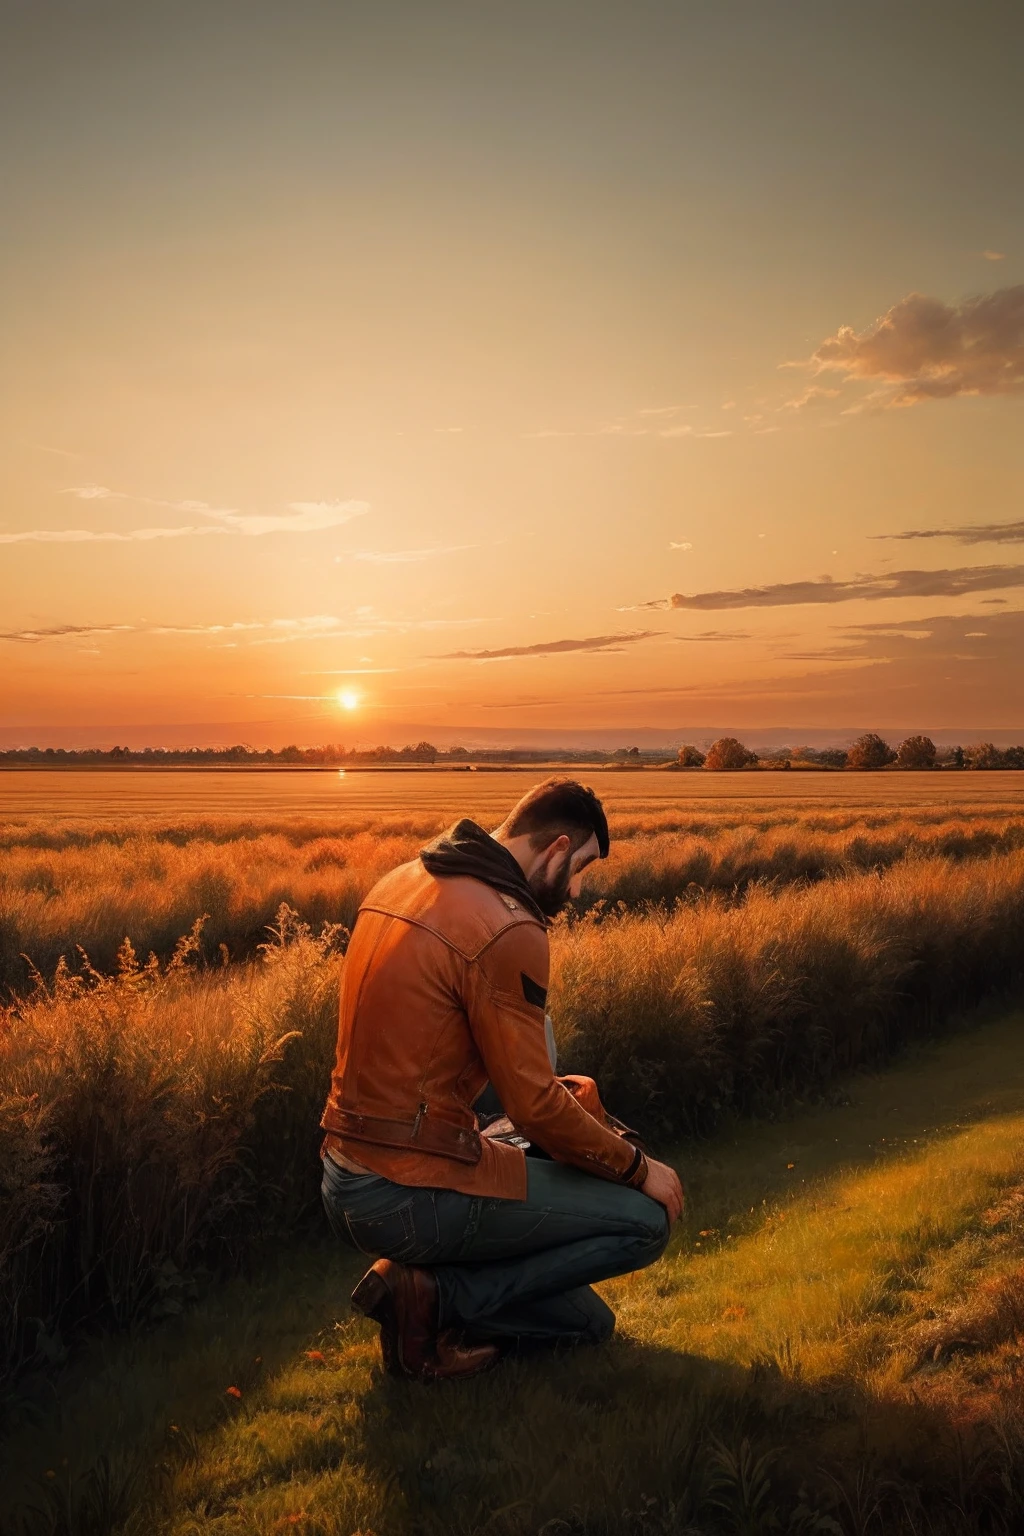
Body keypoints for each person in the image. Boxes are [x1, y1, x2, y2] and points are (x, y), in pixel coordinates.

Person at [320, 777, 684, 1381]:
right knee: (644, 1223)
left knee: (588, 1326)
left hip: (343, 1173)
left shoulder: (405, 880)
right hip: (405, 1192)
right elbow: (534, 1105)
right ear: (557, 847)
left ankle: (424, 1291)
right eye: (579, 871)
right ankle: (438, 1301)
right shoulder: (508, 925)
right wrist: (640, 1169)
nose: (573, 890)